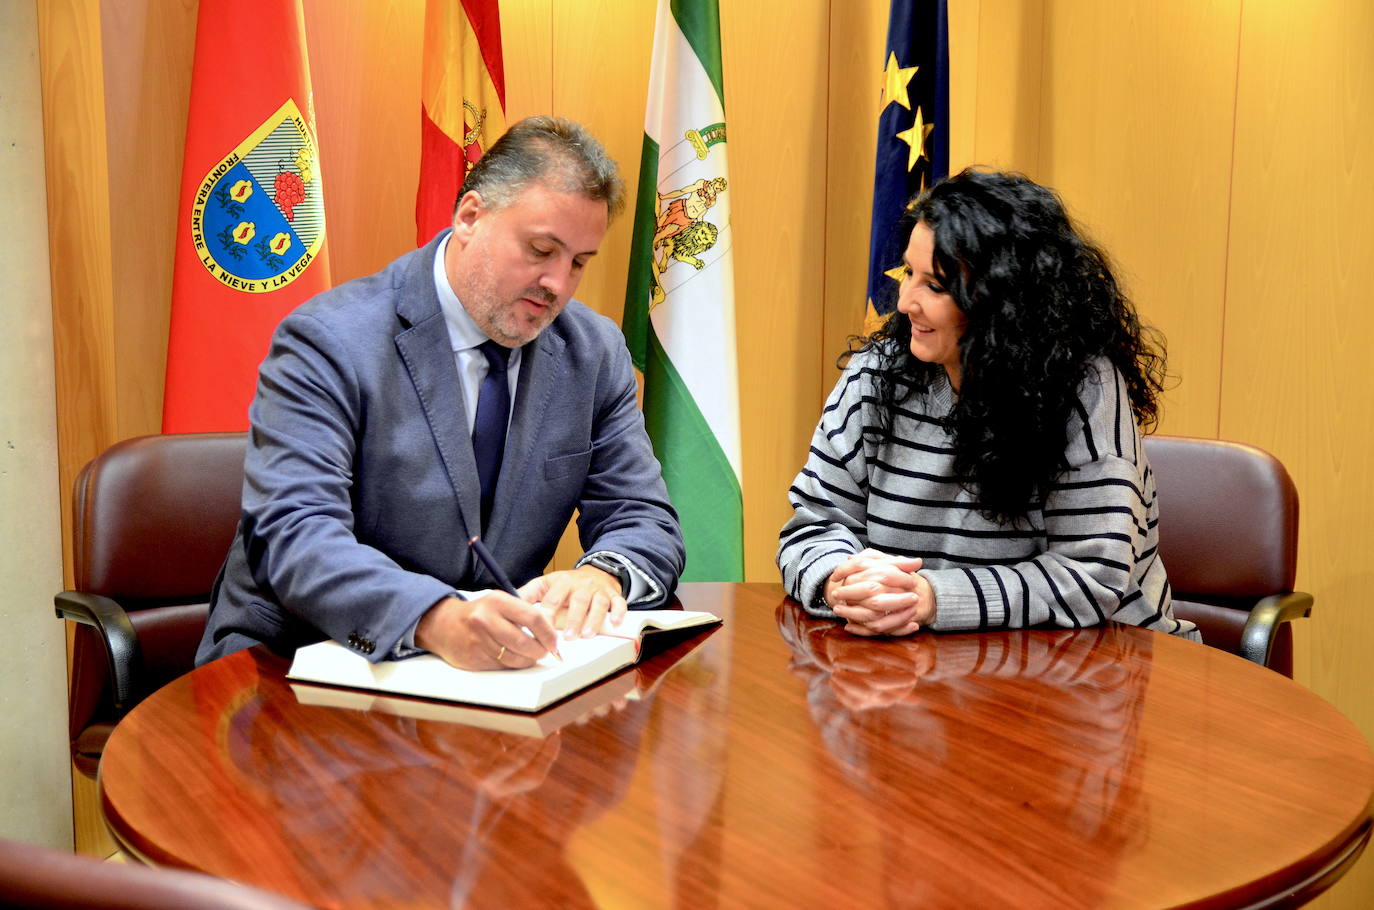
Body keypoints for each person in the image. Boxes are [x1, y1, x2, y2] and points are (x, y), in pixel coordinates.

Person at [198, 117, 685, 671]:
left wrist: (605, 572)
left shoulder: (592, 352)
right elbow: (296, 534)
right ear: (470, 217)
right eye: (540, 249)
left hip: (490, 681)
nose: (558, 284)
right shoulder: (329, 341)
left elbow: (644, 515)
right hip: (298, 664)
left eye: (577, 263)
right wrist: (433, 617)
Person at [777, 168, 1198, 641]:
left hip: (1100, 669)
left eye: (934, 286)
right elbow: (812, 527)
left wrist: (932, 598)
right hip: (931, 667)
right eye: (907, 273)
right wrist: (842, 582)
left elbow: (1090, 578)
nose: (904, 303)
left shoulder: (1084, 388)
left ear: (1003, 303)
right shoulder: (876, 375)